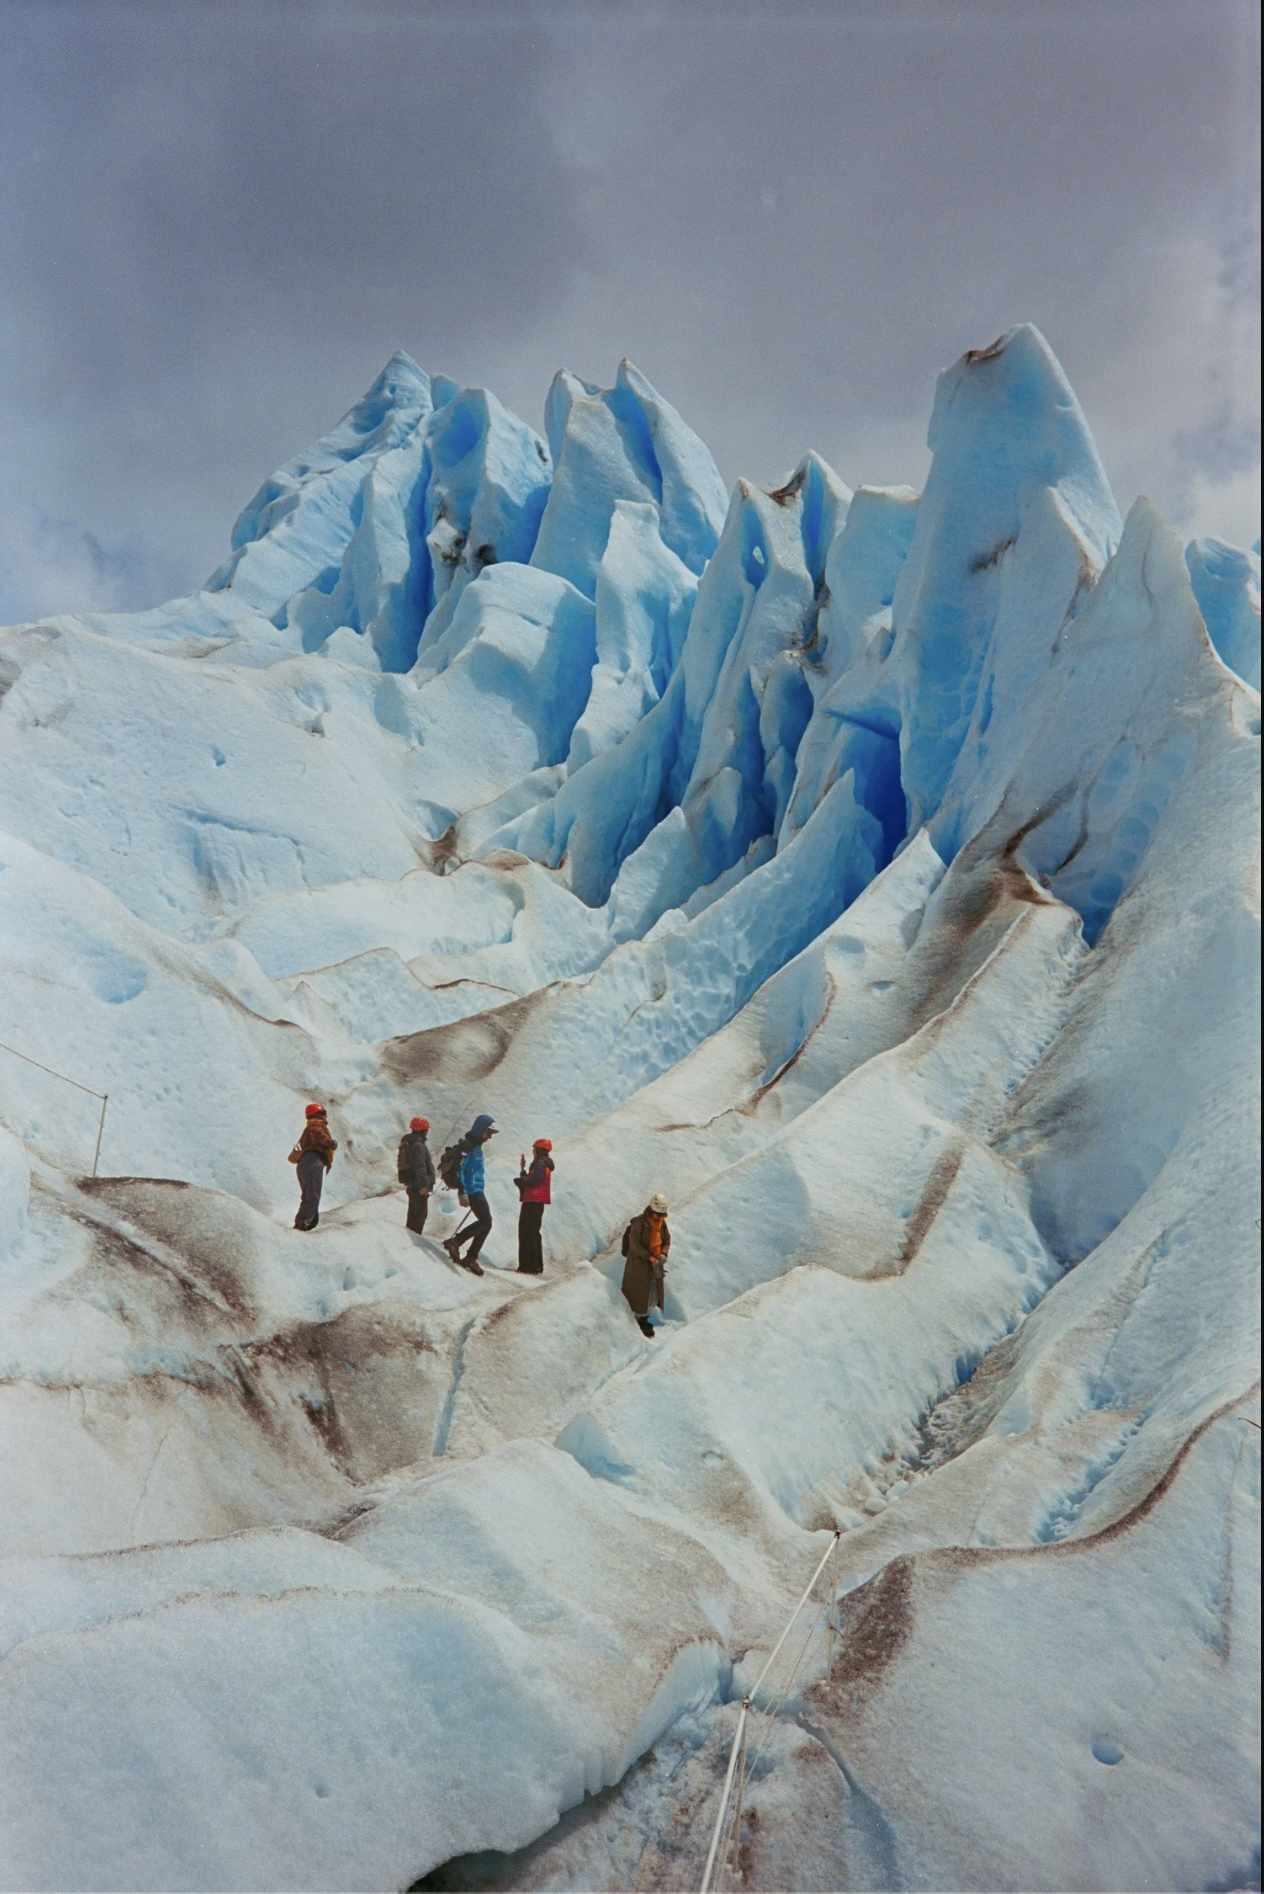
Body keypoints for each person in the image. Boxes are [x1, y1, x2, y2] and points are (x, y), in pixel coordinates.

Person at [444, 1113, 497, 1275]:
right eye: (488, 1133)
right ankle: (458, 1244)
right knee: (486, 1222)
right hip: (471, 1190)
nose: (489, 1137)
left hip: (476, 1189)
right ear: (481, 1129)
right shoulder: (467, 1146)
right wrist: (462, 1192)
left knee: (486, 1222)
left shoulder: (476, 1146)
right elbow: (459, 1170)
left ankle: (469, 1254)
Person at [621, 1194, 671, 1336]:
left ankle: (644, 1318)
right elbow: (634, 1245)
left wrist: (663, 1254)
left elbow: (666, 1240)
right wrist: (648, 1256)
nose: (660, 1217)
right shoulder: (640, 1223)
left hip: (655, 1265)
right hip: (639, 1265)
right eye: (658, 1214)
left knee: (654, 1294)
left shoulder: (661, 1223)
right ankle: (639, 1319)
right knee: (640, 1293)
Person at [289, 1103, 337, 1232]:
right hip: (312, 1161)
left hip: (306, 1163)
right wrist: (330, 1142)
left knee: (311, 1194)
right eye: (324, 1113)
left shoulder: (310, 1126)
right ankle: (300, 1227)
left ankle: (308, 1225)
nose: (326, 1116)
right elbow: (318, 1133)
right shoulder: (316, 1125)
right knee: (312, 1195)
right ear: (319, 1114)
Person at [514, 1138, 554, 1274]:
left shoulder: (539, 1163)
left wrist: (523, 1180)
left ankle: (528, 1266)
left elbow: (536, 1180)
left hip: (532, 1201)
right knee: (533, 1232)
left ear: (540, 1150)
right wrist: (522, 1171)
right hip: (537, 1202)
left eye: (535, 1148)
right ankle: (536, 1265)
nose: (533, 1151)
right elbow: (534, 1179)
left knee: (526, 1232)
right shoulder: (544, 1163)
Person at [397, 1116, 435, 1234]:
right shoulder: (418, 1145)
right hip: (419, 1187)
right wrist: (424, 1185)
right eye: (426, 1130)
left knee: (413, 1215)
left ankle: (411, 1238)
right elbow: (420, 1166)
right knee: (418, 1217)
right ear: (423, 1130)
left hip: (413, 1185)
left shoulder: (410, 1143)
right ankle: (413, 1242)